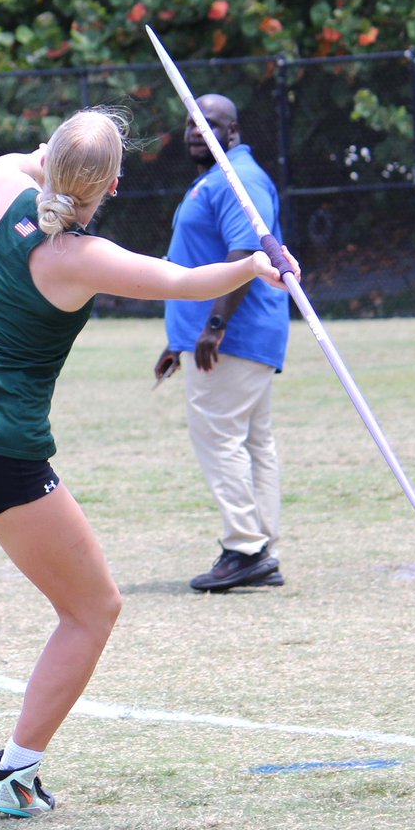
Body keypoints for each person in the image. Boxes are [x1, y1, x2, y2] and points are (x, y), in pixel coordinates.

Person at [0, 105, 298, 818]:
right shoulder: (82, 257)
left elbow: (5, 164)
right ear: (113, 185)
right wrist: (257, 263)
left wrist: (46, 160)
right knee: (92, 609)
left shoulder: (8, 197)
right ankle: (14, 775)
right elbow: (183, 280)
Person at [153, 94, 291, 593]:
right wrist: (179, 340)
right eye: (190, 122)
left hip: (234, 336)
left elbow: (247, 253)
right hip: (222, 335)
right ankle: (260, 546)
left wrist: (214, 326)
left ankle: (245, 547)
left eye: (207, 123)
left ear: (231, 130)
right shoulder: (215, 178)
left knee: (220, 437)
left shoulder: (239, 178)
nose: (195, 130)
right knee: (253, 441)